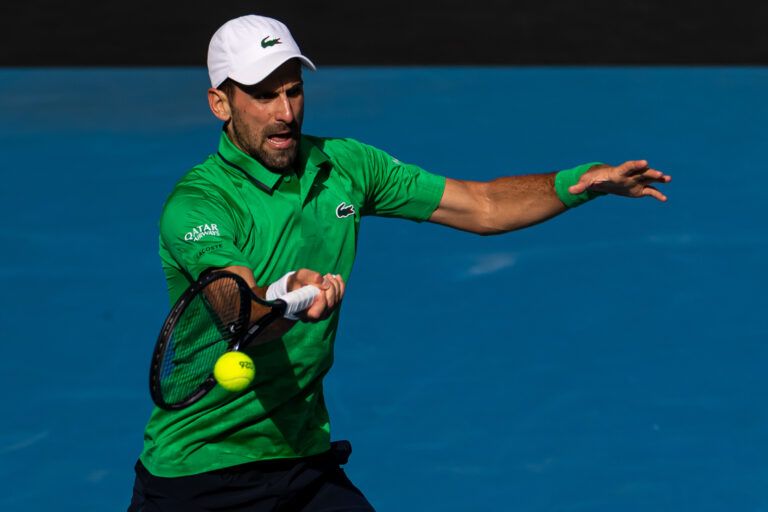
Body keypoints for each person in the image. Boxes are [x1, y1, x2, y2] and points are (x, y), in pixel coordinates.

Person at [128, 14, 671, 512]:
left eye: (293, 91)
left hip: (300, 457)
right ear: (220, 104)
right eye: (264, 96)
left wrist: (577, 184)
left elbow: (480, 205)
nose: (286, 112)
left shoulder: (345, 166)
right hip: (198, 476)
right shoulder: (198, 204)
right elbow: (235, 309)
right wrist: (288, 296)